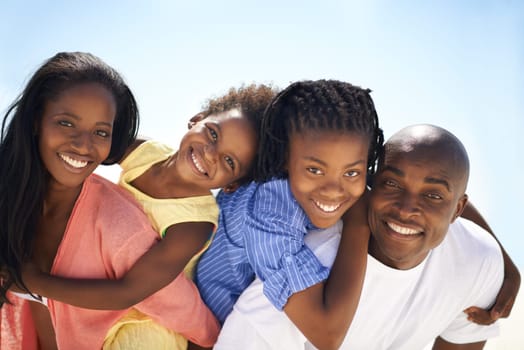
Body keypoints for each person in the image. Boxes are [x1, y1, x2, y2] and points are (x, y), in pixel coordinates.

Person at [19, 83, 277, 349]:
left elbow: (128, 292)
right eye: (212, 134)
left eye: (229, 162)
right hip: (100, 284)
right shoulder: (144, 152)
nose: (210, 154)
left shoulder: (193, 223)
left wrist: (34, 280)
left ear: (231, 185)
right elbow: (90, 148)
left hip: (146, 321)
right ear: (196, 120)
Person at [214, 124, 518, 349]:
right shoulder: (303, 272)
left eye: (433, 195)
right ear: (370, 184)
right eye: (393, 185)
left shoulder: (477, 262)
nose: (406, 209)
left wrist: (510, 269)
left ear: (457, 209)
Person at [0, 52, 216, 350]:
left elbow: (190, 316)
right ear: (36, 120)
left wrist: (29, 280)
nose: (83, 145)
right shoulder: (10, 198)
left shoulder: (119, 226)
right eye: (66, 123)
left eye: (101, 132)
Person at [196, 79, 384, 349]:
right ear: (285, 158)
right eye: (315, 170)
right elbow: (327, 334)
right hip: (204, 332)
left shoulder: (320, 192)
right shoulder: (269, 215)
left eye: (351, 172)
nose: (333, 190)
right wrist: (359, 224)